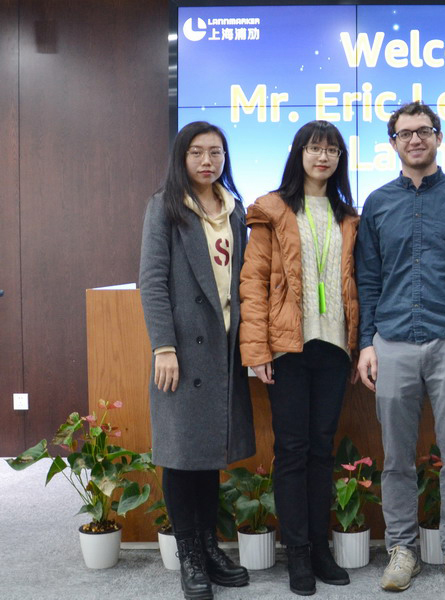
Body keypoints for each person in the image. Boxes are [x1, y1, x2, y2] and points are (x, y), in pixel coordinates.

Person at [355, 101, 445, 593]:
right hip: (391, 342)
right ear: (392, 143)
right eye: (405, 133)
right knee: (396, 457)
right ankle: (402, 551)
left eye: (424, 130)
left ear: (439, 137)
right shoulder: (377, 203)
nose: (415, 139)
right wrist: (366, 344)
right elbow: (368, 280)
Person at [239, 120, 359, 597]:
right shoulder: (272, 209)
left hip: (334, 347)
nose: (322, 157)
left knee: (321, 449)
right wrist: (256, 350)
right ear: (299, 153)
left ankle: (320, 548)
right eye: (314, 148)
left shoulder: (348, 216)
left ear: (339, 159)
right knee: (291, 450)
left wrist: (358, 345)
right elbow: (253, 282)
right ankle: (298, 553)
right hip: (288, 348)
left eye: (331, 150)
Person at [139, 121, 256, 600]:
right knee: (181, 456)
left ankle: (209, 547)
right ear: (181, 158)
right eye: (197, 152)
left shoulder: (235, 208)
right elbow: (152, 281)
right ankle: (188, 553)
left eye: (216, 152)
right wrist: (163, 347)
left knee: (209, 457)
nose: (208, 161)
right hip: (183, 351)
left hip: (224, 350)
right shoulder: (165, 206)